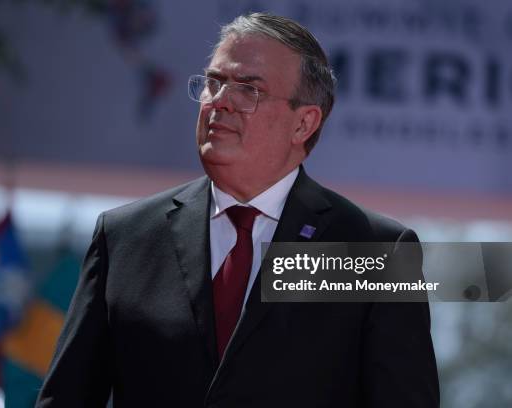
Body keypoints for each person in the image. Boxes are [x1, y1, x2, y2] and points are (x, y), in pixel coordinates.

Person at [36, 12, 439, 407]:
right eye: (214, 83)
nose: (219, 102)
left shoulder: (376, 252)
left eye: (249, 89)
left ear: (304, 124)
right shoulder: (124, 236)